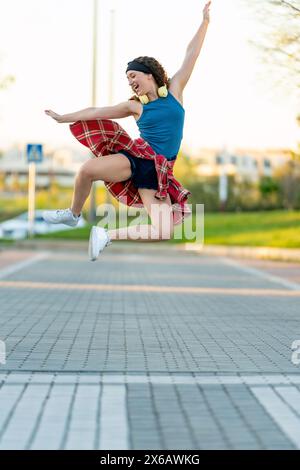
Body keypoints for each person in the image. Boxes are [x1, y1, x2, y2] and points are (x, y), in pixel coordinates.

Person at [43, 1, 211, 261]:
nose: (131, 82)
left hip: (159, 171)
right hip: (138, 157)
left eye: (134, 76)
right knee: (87, 170)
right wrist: (64, 117)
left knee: (164, 230)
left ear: (150, 75)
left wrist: (205, 22)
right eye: (128, 78)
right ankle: (73, 214)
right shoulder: (134, 106)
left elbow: (192, 54)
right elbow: (96, 112)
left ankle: (106, 235)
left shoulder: (175, 91)